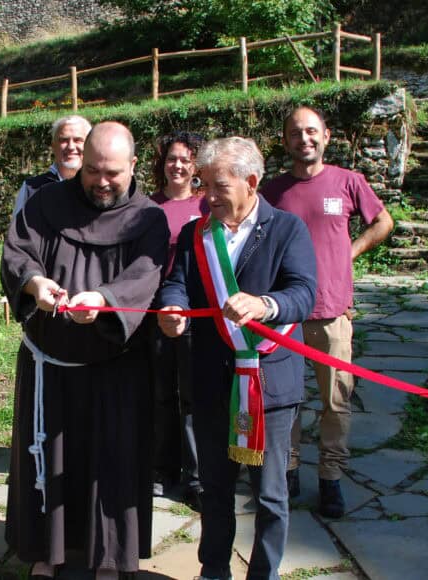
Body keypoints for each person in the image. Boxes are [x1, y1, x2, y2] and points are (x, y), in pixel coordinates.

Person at [2, 121, 168, 579]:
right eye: (92, 170)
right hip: (49, 367)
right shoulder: (46, 204)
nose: (100, 181)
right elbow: (18, 252)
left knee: (109, 465)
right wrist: (35, 284)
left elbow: (144, 275)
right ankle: (44, 552)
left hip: (115, 368)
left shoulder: (149, 218)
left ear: (133, 166)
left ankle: (108, 559)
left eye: (112, 172)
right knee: (45, 458)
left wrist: (105, 299)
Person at [158, 136, 316, 580]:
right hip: (211, 380)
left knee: (269, 494)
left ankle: (262, 573)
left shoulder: (288, 229)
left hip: (269, 385)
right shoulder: (196, 233)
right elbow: (178, 283)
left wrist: (266, 305)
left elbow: (303, 293)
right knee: (214, 488)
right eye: (203, 183)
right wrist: (173, 310)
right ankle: (213, 571)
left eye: (217, 186)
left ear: (251, 182)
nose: (206, 196)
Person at [261, 106, 394, 518]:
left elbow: (383, 222)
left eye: (312, 131)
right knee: (286, 399)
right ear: (285, 141)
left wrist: (350, 254)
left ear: (327, 136)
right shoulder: (272, 192)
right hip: (284, 317)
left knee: (336, 402)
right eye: (296, 133)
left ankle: (331, 478)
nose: (305, 139)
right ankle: (289, 469)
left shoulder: (348, 182)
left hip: (332, 312)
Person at [148, 131, 207, 502]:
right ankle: (160, 468)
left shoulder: (206, 206)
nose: (178, 165)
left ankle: (196, 474)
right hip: (154, 312)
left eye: (186, 159)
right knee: (159, 394)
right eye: (172, 158)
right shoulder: (147, 207)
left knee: (192, 396)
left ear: (196, 165)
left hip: (195, 314)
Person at [10, 115, 92, 217]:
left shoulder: (98, 187)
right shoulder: (31, 189)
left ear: (90, 145)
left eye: (78, 140)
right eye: (64, 140)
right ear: (53, 147)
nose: (71, 147)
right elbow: (18, 231)